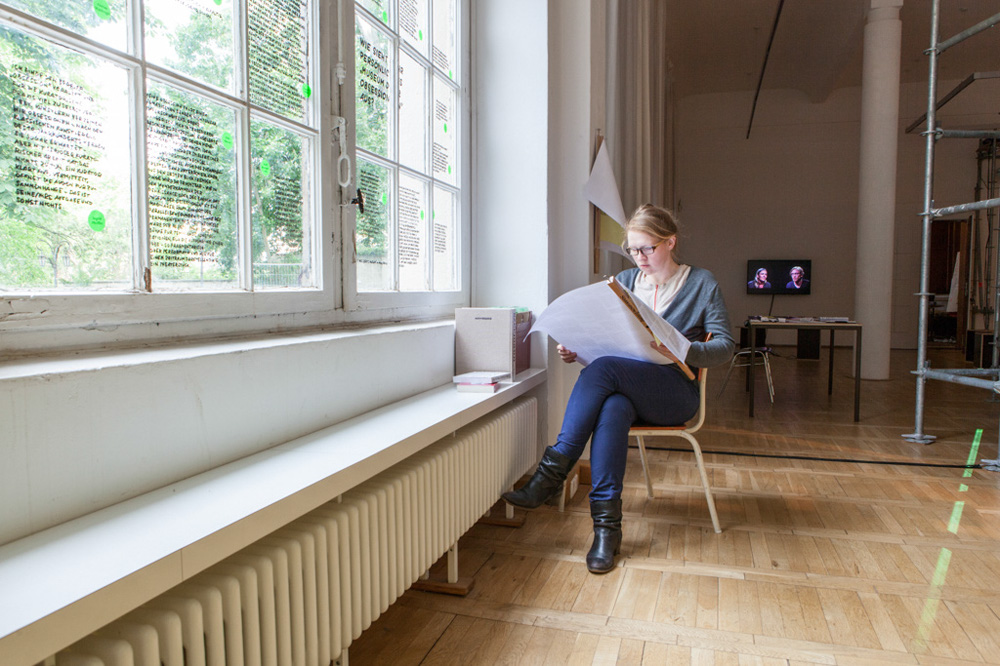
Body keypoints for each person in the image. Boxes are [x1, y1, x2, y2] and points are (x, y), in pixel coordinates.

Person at [502, 204, 735, 574]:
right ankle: (606, 532)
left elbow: (725, 347)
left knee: (607, 369)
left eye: (647, 249)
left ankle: (552, 471)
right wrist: (579, 349)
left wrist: (684, 348)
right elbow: (612, 341)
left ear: (670, 242)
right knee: (612, 407)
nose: (638, 257)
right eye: (632, 250)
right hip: (626, 386)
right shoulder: (625, 284)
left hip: (675, 392)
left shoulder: (701, 283)